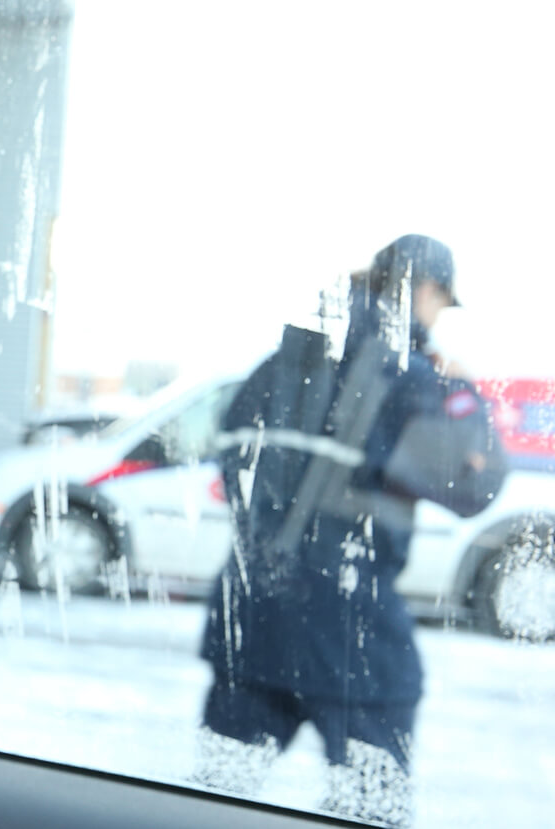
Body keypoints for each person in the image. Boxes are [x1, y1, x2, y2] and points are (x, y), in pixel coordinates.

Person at [192, 234, 505, 827]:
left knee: (211, 798)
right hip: (353, 637)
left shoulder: (284, 360)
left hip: (253, 615)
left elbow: (230, 448)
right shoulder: (408, 377)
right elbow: (475, 487)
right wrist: (461, 392)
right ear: (429, 291)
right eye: (442, 303)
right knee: (373, 808)